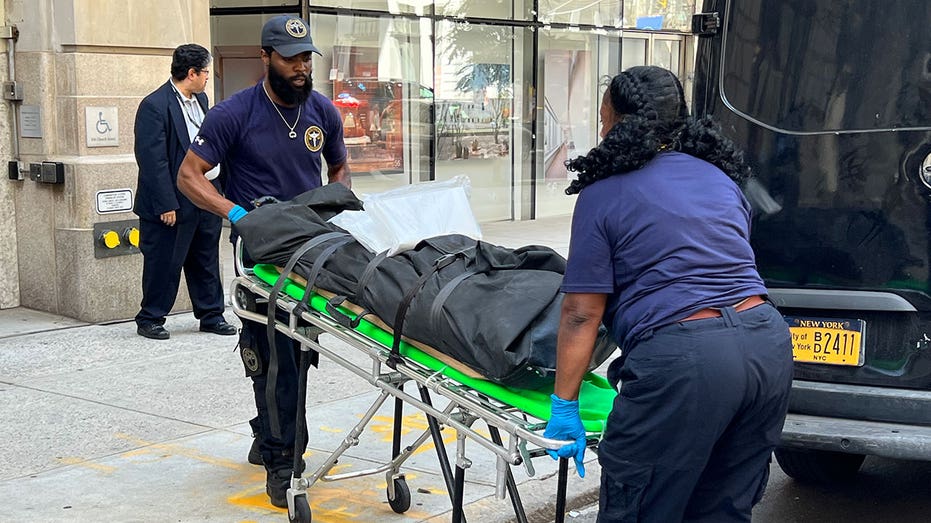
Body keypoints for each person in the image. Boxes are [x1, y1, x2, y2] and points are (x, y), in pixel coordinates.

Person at [542, 66, 794, 522]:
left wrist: (564, 404)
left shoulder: (603, 193)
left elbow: (582, 313)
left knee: (641, 508)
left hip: (687, 359)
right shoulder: (721, 178)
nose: (600, 131)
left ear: (617, 122)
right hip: (767, 345)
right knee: (722, 510)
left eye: (603, 119)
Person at [176, 15, 349, 508]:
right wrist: (235, 212)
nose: (300, 67)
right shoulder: (234, 114)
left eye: (306, 58)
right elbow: (190, 175)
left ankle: (266, 433)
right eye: (290, 58)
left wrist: (335, 204)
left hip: (310, 251)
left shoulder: (322, 111)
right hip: (260, 255)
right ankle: (282, 460)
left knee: (298, 354)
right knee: (272, 357)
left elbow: (338, 166)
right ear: (266, 57)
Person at [132, 44, 237, 340]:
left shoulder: (202, 100)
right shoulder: (155, 105)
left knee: (205, 258)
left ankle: (211, 315)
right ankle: (150, 318)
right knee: (164, 262)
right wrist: (165, 203)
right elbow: (153, 161)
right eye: (205, 72)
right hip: (173, 199)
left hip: (205, 194)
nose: (207, 78)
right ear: (191, 73)